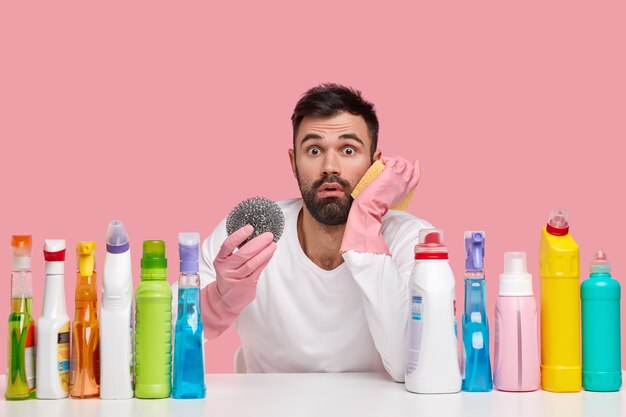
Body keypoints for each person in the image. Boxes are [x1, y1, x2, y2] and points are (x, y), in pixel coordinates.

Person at [187, 83, 432, 382]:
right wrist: (215, 304)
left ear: (374, 165)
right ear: (293, 162)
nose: (331, 167)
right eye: (314, 150)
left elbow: (412, 366)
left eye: (349, 150)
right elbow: (159, 336)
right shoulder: (250, 234)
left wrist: (365, 221)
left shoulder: (411, 239)